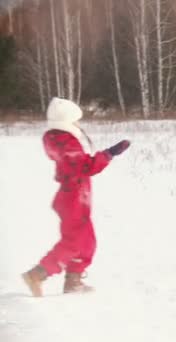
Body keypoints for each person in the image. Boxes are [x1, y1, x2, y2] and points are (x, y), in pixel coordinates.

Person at [22, 97, 131, 297]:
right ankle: (38, 274)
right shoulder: (65, 141)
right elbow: (85, 166)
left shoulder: (59, 138)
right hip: (73, 197)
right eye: (75, 120)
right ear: (67, 121)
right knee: (74, 242)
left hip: (74, 196)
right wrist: (108, 154)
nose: (78, 124)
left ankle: (74, 281)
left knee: (86, 241)